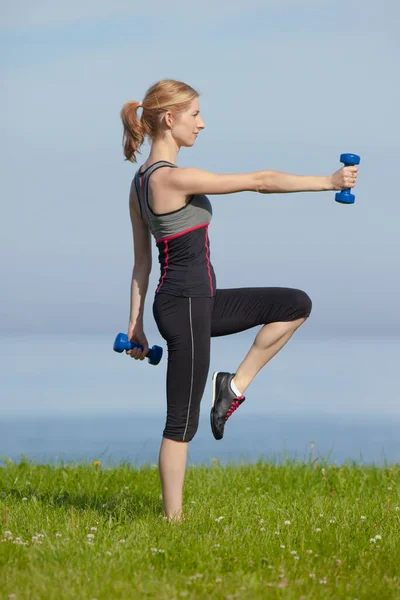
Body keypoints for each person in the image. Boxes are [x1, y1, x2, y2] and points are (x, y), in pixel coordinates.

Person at [119, 79, 358, 523]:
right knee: (181, 424)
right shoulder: (173, 177)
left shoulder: (137, 186)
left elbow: (140, 266)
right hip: (186, 304)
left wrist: (136, 325)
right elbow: (261, 182)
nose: (202, 123)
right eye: (195, 114)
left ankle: (232, 386)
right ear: (170, 120)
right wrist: (328, 182)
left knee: (294, 305)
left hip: (195, 300)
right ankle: (174, 523)